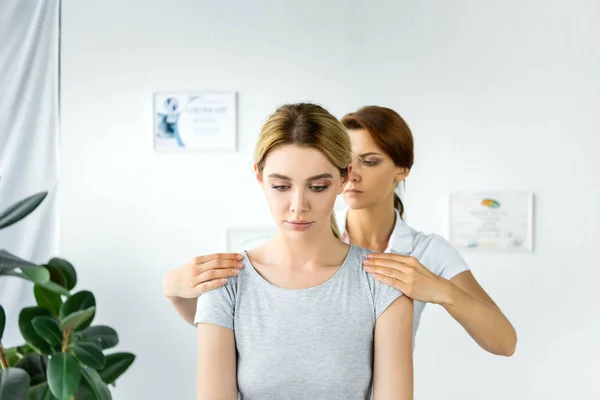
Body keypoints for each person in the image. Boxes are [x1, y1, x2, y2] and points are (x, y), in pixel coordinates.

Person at [164, 105, 517, 358]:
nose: (356, 173)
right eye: (349, 161)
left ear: (402, 170)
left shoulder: (426, 253)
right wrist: (175, 291)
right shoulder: (276, 247)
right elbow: (236, 336)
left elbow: (504, 342)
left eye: (370, 160)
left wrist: (439, 290)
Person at [193, 103, 414, 399]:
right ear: (259, 177)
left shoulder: (383, 282)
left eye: (318, 186)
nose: (298, 205)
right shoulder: (225, 283)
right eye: (282, 186)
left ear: (344, 178)